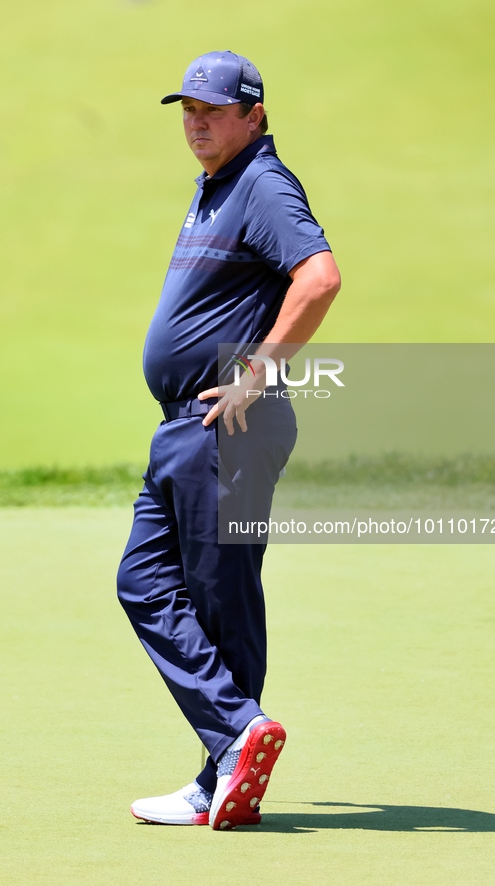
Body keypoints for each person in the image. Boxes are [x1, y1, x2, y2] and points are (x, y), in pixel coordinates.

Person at [116, 50, 341, 831]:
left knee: (218, 603)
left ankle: (227, 757)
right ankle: (232, 744)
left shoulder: (263, 185)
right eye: (187, 108)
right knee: (147, 583)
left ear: (254, 115)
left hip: (226, 422)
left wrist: (256, 371)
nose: (197, 121)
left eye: (213, 109)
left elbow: (319, 277)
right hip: (188, 427)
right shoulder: (219, 186)